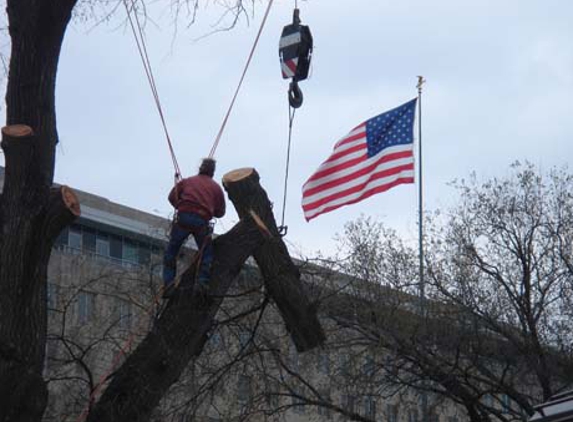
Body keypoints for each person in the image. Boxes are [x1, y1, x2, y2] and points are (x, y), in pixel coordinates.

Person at [163, 158, 226, 298]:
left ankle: (168, 285)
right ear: (213, 172)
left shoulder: (187, 181)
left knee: (171, 252)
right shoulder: (216, 188)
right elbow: (221, 212)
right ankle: (202, 284)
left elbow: (171, 197)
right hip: (201, 221)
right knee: (206, 254)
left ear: (200, 168)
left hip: (183, 218)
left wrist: (182, 206)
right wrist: (210, 209)